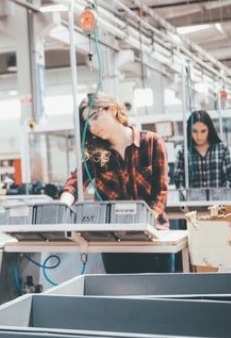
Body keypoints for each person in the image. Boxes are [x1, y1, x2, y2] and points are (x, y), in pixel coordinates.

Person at [59, 92, 171, 273]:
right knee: (120, 297)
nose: (93, 127)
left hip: (153, 238)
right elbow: (75, 182)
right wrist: (63, 204)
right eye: (88, 123)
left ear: (112, 109)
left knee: (157, 296)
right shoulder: (96, 154)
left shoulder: (151, 142)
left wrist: (143, 222)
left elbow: (161, 193)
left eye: (95, 117)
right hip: (114, 242)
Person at [173, 110, 231, 191]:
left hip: (218, 201)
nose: (199, 136)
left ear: (210, 130)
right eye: (194, 131)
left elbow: (229, 178)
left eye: (203, 131)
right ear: (189, 131)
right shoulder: (183, 152)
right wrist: (185, 195)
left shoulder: (222, 149)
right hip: (192, 202)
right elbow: (178, 181)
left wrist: (222, 194)